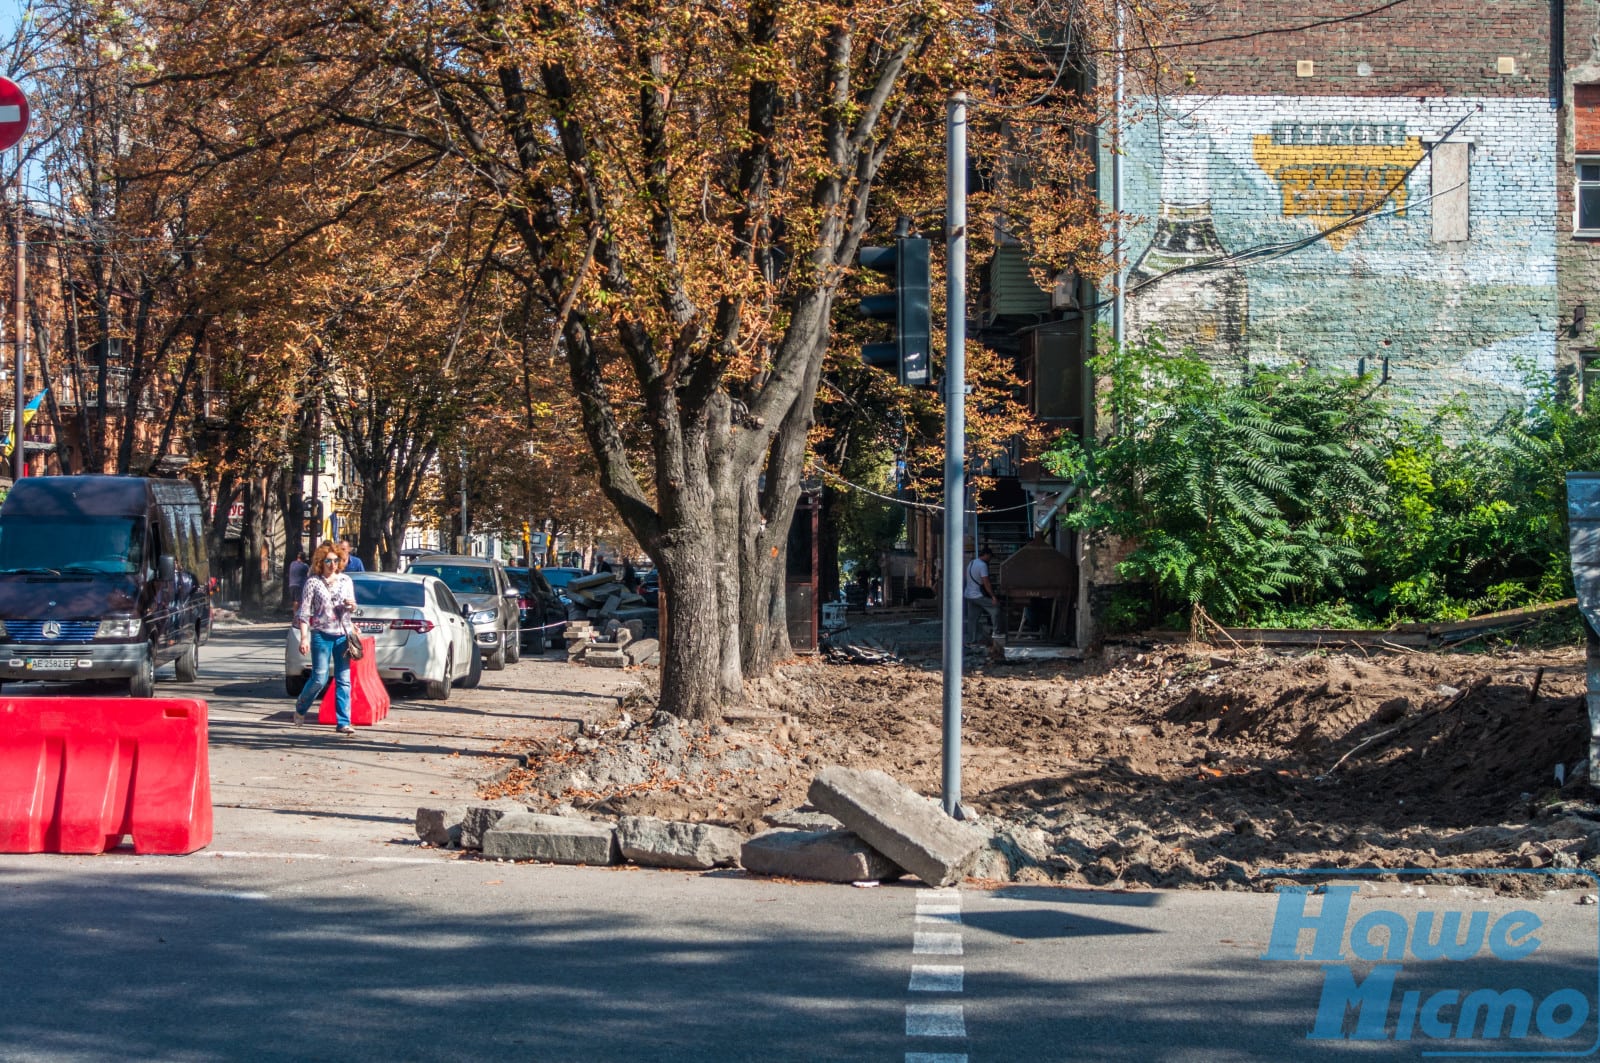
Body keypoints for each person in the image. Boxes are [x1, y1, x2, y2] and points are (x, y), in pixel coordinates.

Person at [293, 541, 358, 734]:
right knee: (319, 679)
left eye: (336, 560)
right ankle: (301, 707)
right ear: (321, 562)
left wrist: (351, 605)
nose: (332, 564)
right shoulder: (313, 582)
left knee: (344, 679)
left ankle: (343, 722)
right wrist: (304, 637)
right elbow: (304, 612)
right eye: (328, 561)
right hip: (321, 634)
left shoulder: (346, 580)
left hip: (343, 635)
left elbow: (354, 606)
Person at [963, 546, 1002, 646]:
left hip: (969, 594)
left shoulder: (972, 562)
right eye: (990, 557)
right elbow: (986, 582)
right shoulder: (983, 565)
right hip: (977, 595)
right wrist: (993, 596)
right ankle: (997, 632)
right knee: (995, 608)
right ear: (986, 555)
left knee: (973, 618)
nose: (990, 559)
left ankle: (972, 640)